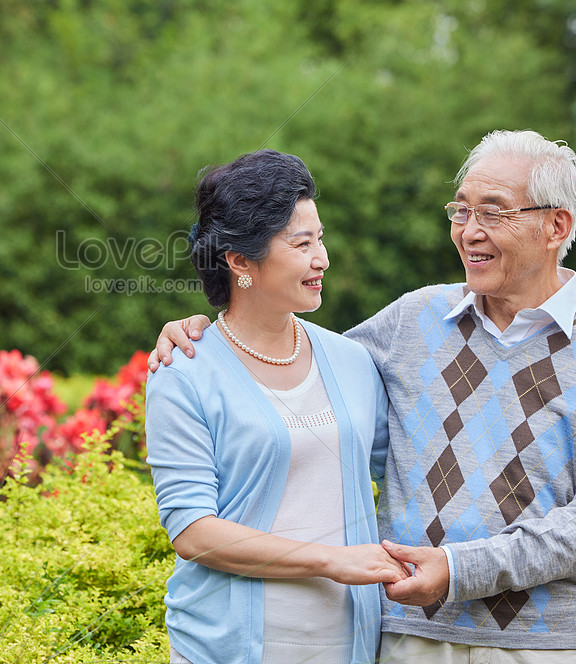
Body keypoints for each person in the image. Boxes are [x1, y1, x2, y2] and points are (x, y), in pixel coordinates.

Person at [149, 131, 576, 663]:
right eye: (460, 210)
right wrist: (202, 336)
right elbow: (285, 370)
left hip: (545, 644)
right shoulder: (414, 320)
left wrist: (462, 569)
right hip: (411, 637)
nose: (469, 231)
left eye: (493, 213)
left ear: (557, 226)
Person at [146, 149, 410, 664]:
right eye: (301, 243)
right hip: (226, 646)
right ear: (240, 260)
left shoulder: (353, 360)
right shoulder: (183, 371)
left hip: (351, 643)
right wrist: (332, 562)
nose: (322, 259)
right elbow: (194, 532)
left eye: (321, 238)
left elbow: (409, 474)